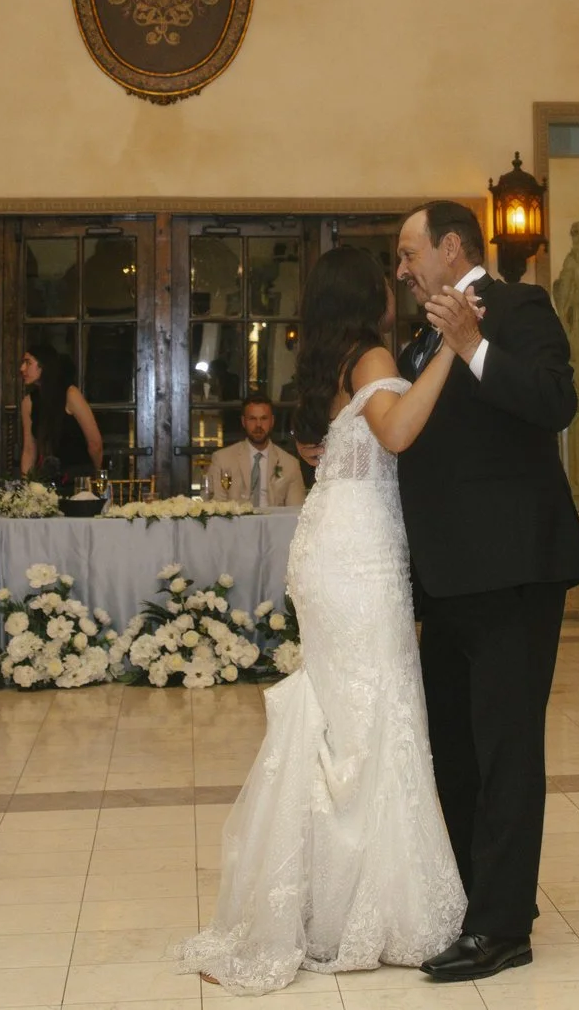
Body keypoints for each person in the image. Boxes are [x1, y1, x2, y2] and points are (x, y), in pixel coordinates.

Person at [182, 245, 468, 992]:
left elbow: (332, 450)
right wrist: (454, 352)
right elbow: (398, 432)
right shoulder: (371, 355)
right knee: (374, 717)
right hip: (358, 556)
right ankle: (363, 907)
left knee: (343, 716)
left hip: (328, 541)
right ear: (363, 296)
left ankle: (318, 901)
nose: (391, 289)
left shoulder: (326, 361)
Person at [390, 201, 579, 984]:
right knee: (457, 749)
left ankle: (503, 926)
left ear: (451, 247)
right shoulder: (416, 341)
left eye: (410, 252)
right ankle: (479, 900)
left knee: (507, 749)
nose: (403, 268)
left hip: (513, 572)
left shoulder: (519, 307)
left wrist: (473, 344)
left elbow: (554, 402)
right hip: (444, 581)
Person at [17, 346, 103, 492]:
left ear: (44, 365)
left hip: (79, 480)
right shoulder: (28, 402)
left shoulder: (71, 394)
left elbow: (95, 443)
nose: (22, 368)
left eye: (28, 362)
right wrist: (27, 490)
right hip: (47, 481)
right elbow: (29, 450)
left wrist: (97, 474)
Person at [203, 393, 305, 509]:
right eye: (252, 419)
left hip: (274, 525)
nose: (258, 425)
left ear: (272, 421)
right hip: (235, 526)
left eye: (264, 418)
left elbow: (295, 513)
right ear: (243, 422)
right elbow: (215, 507)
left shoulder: (290, 464)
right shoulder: (222, 459)